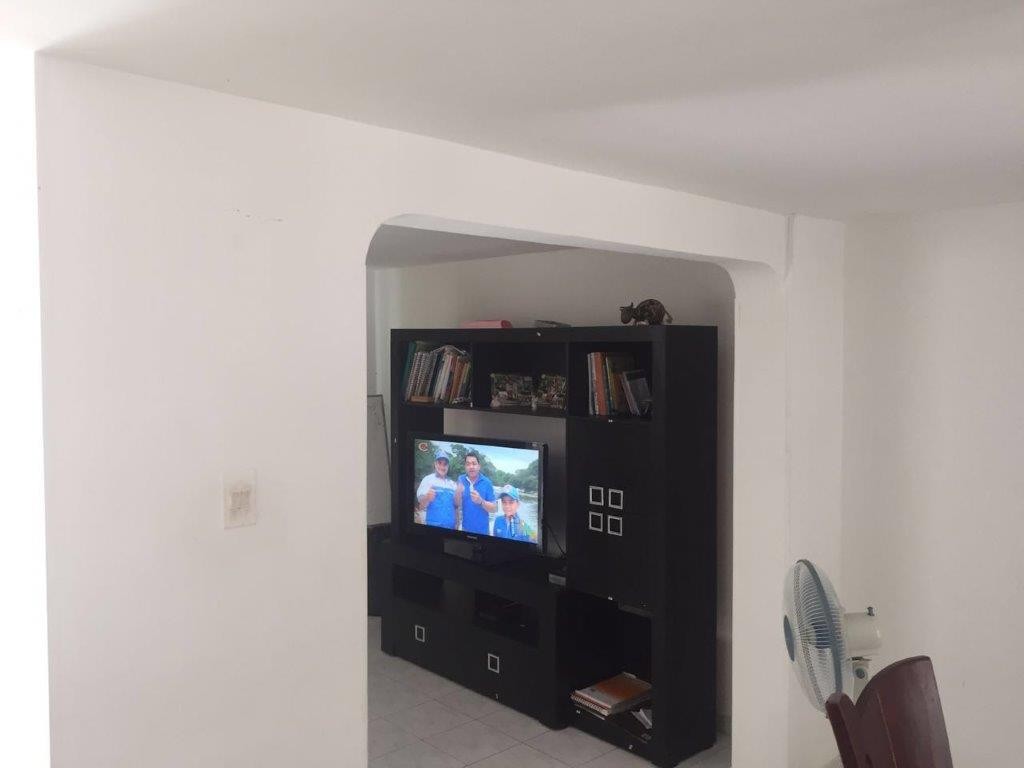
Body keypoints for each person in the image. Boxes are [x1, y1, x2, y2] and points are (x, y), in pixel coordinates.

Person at [416, 448, 460, 529]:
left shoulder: (452, 484)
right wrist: (427, 498)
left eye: (445, 464)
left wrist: (457, 523)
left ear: (448, 466)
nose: (442, 466)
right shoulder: (427, 479)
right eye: (439, 463)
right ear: (435, 464)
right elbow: (421, 507)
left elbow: (456, 506)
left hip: (451, 527)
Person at [456, 450, 496, 535]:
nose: (471, 467)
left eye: (474, 463)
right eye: (468, 464)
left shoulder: (487, 483)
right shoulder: (461, 479)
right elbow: (456, 504)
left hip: (483, 532)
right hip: (465, 529)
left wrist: (481, 501)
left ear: (479, 466)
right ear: (465, 467)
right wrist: (458, 493)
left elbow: (494, 509)